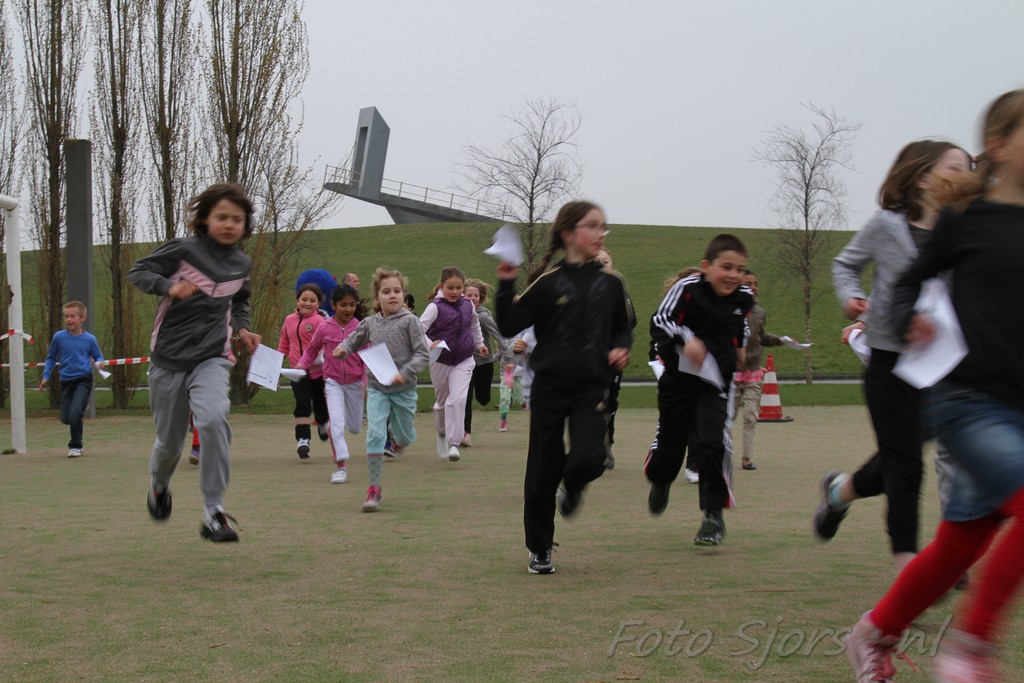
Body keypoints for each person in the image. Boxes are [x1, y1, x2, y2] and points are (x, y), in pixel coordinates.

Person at [845, 89, 1024, 683]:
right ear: (999, 145)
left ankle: (873, 634)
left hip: (1020, 407)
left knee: (962, 543)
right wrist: (904, 321)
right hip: (968, 403)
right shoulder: (966, 219)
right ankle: (970, 650)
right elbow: (905, 283)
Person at [813, 139, 973, 577]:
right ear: (921, 178)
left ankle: (840, 493)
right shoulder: (886, 225)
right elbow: (846, 265)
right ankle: (910, 572)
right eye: (955, 167)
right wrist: (853, 298)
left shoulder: (966, 228)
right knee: (906, 466)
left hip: (946, 366)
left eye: (969, 167)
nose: (965, 174)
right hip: (888, 362)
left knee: (910, 457)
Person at [495, 200, 633, 575]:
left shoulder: (612, 283)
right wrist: (506, 282)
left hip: (591, 388)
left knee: (591, 458)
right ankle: (540, 548)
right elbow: (509, 324)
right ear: (569, 234)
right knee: (542, 469)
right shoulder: (547, 283)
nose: (601, 233)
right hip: (549, 390)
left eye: (603, 226)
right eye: (593, 226)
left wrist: (621, 347)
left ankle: (571, 488)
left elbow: (622, 327)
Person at [129, 182, 261, 542]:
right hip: (169, 359)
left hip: (212, 357)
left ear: (245, 225)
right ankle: (159, 484)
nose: (229, 224)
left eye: (237, 219)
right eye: (222, 217)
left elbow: (240, 299)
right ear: (205, 219)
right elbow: (139, 271)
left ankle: (213, 511)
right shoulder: (184, 250)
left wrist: (243, 328)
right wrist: (168, 287)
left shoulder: (241, 263)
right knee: (170, 443)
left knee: (214, 419)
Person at [646, 235, 753, 546]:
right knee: (671, 444)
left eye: (740, 269)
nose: (733, 275)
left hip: (716, 381)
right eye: (726, 267)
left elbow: (740, 324)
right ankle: (661, 479)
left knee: (712, 440)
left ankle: (713, 515)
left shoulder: (744, 296)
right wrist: (687, 339)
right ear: (706, 266)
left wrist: (741, 348)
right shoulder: (687, 288)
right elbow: (661, 319)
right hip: (679, 380)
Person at [334, 268, 429, 512]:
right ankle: (374, 489)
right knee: (375, 434)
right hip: (377, 387)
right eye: (386, 291)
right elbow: (354, 339)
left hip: (404, 390)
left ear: (404, 295)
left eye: (397, 291)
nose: (392, 295)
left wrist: (404, 373)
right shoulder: (370, 323)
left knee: (405, 437)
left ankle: (399, 441)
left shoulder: (410, 321)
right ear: (377, 296)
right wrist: (343, 349)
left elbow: (422, 354)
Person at [299, 283, 367, 484]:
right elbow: (312, 350)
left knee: (354, 427)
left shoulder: (361, 328)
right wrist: (301, 366)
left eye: (352, 305)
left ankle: (338, 423)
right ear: (333, 305)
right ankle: (341, 467)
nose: (348, 309)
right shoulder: (324, 328)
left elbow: (367, 357)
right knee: (335, 425)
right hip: (333, 382)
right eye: (343, 305)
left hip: (356, 383)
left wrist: (365, 383)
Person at [420, 266, 487, 462]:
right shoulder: (435, 307)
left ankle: (454, 443)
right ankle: (442, 435)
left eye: (459, 288)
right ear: (442, 286)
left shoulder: (468, 305)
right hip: (440, 359)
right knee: (442, 403)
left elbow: (474, 324)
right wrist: (429, 343)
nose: (455, 291)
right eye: (450, 288)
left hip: (464, 359)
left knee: (457, 400)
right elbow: (418, 329)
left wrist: (480, 344)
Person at [39, 301, 105, 458]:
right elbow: (50, 358)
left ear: (82, 318)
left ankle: (76, 446)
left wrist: (100, 362)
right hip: (66, 381)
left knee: (75, 414)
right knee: (66, 418)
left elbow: (98, 356)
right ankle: (77, 409)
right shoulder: (59, 337)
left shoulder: (90, 339)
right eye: (66, 316)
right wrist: (46, 376)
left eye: (72, 316)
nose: (69, 319)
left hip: (84, 379)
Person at [732, 271, 783, 471]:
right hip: (732, 372)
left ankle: (747, 458)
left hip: (753, 372)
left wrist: (781, 340)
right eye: (748, 284)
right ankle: (721, 455)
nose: (753, 288)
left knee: (750, 416)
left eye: (755, 283)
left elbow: (761, 338)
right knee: (727, 417)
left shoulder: (760, 313)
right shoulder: (729, 311)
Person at [595, 248, 637, 470]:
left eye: (606, 261)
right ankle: (591, 448)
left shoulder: (620, 292)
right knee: (591, 403)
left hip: (612, 361)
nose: (602, 264)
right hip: (586, 361)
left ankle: (606, 444)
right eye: (597, 261)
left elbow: (630, 323)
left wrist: (620, 347)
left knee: (610, 403)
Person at [278, 283, 329, 458]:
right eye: (304, 299)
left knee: (321, 403)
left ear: (318, 304)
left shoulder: (320, 322)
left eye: (312, 301)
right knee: (302, 404)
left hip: (319, 372)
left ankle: (322, 423)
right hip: (297, 372)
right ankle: (303, 439)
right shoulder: (289, 320)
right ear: (297, 300)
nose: (307, 303)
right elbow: (284, 342)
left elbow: (326, 345)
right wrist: (276, 361)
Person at [461, 278, 511, 447]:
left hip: (484, 363)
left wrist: (504, 357)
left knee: (483, 399)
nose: (473, 298)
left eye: (476, 295)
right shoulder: (458, 314)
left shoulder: (483, 317)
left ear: (480, 298)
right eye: (469, 295)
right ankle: (465, 434)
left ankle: (480, 392)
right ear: (462, 296)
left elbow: (500, 337)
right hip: (465, 364)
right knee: (465, 399)